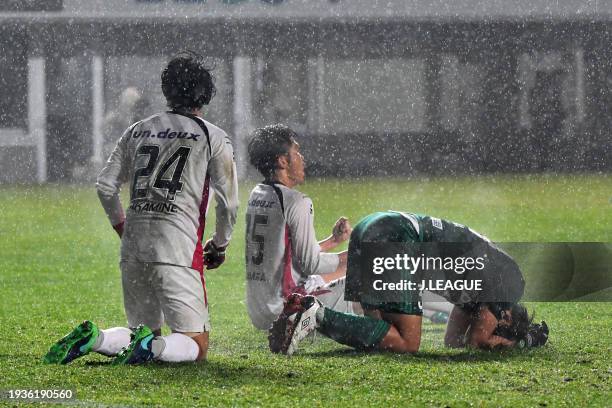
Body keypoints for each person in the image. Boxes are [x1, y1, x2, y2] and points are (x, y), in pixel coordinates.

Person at [43, 51, 239, 365]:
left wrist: (124, 228)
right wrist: (219, 244)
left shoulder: (137, 130)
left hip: (133, 244)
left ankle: (98, 338)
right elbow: (228, 203)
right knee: (197, 346)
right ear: (204, 95)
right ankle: (149, 348)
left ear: (167, 92)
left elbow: (105, 187)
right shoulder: (211, 136)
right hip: (178, 247)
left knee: (142, 329)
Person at [269, 211, 548, 355]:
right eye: (501, 329)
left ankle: (306, 315)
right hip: (396, 235)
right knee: (407, 342)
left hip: (378, 225)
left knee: (380, 332)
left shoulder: (478, 294)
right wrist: (519, 343)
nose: (491, 329)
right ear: (507, 316)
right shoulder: (507, 287)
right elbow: (478, 341)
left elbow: (455, 342)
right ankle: (312, 314)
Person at [245, 124, 356, 331]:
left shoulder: (258, 194)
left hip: (260, 309)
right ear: (282, 161)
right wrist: (357, 254)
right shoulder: (296, 201)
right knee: (372, 274)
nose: (302, 158)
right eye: (297, 152)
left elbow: (282, 252)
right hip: (288, 307)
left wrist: (332, 242)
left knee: (350, 268)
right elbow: (311, 264)